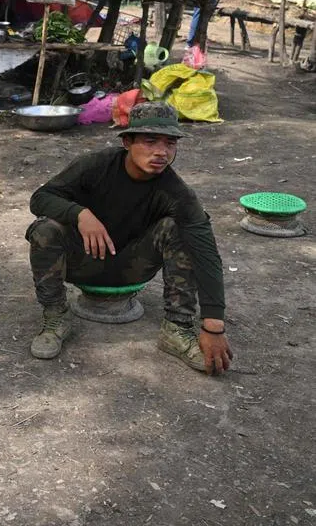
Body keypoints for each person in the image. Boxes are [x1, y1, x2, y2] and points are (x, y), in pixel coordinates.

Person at [25, 101, 234, 375]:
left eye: (170, 143)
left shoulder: (176, 192)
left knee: (180, 228)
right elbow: (40, 198)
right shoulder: (95, 166)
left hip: (130, 268)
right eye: (150, 141)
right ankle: (55, 318)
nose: (161, 152)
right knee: (44, 229)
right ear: (127, 142)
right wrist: (80, 214)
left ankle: (177, 329)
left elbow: (206, 252)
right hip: (81, 262)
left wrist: (213, 324)